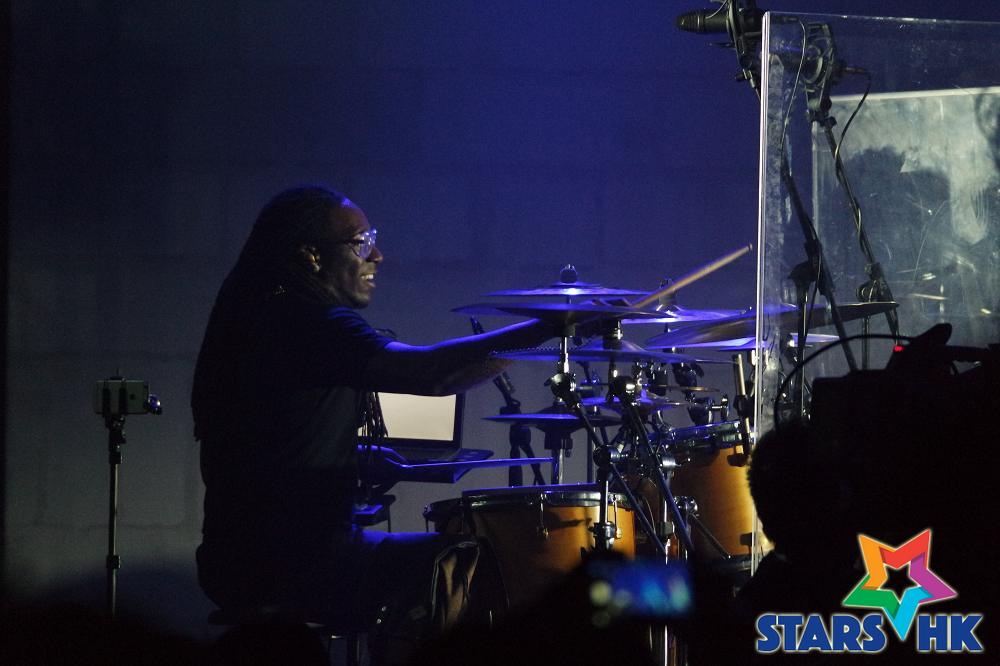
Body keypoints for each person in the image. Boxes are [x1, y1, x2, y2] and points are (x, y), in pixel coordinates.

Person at [191, 185, 557, 663]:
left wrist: (359, 457)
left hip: (237, 558)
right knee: (468, 560)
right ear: (311, 255)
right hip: (294, 562)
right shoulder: (308, 321)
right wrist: (548, 327)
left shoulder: (258, 310)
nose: (377, 256)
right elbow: (433, 374)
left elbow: (266, 441)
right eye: (361, 242)